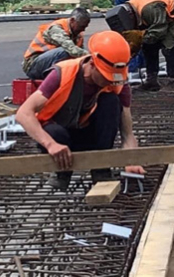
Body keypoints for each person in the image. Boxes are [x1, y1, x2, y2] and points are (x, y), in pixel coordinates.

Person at [16, 31, 145, 189]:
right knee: (55, 132)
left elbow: (127, 133)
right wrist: (50, 144)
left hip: (88, 136)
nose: (110, 82)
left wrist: (131, 161)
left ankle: (101, 167)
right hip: (59, 139)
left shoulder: (118, 83)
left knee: (111, 101)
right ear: (92, 64)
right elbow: (23, 113)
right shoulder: (63, 73)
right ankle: (62, 171)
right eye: (106, 77)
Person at [108, 0, 174, 92]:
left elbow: (159, 30)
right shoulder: (133, 8)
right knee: (148, 46)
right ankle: (151, 81)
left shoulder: (149, 10)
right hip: (166, 15)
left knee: (168, 45)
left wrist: (141, 38)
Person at [22, 7, 91, 80]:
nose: (83, 29)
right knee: (65, 51)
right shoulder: (56, 28)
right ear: (72, 20)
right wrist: (92, 56)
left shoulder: (78, 36)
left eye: (85, 27)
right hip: (33, 65)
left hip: (46, 62)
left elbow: (81, 57)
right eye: (81, 26)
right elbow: (71, 49)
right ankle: (54, 77)